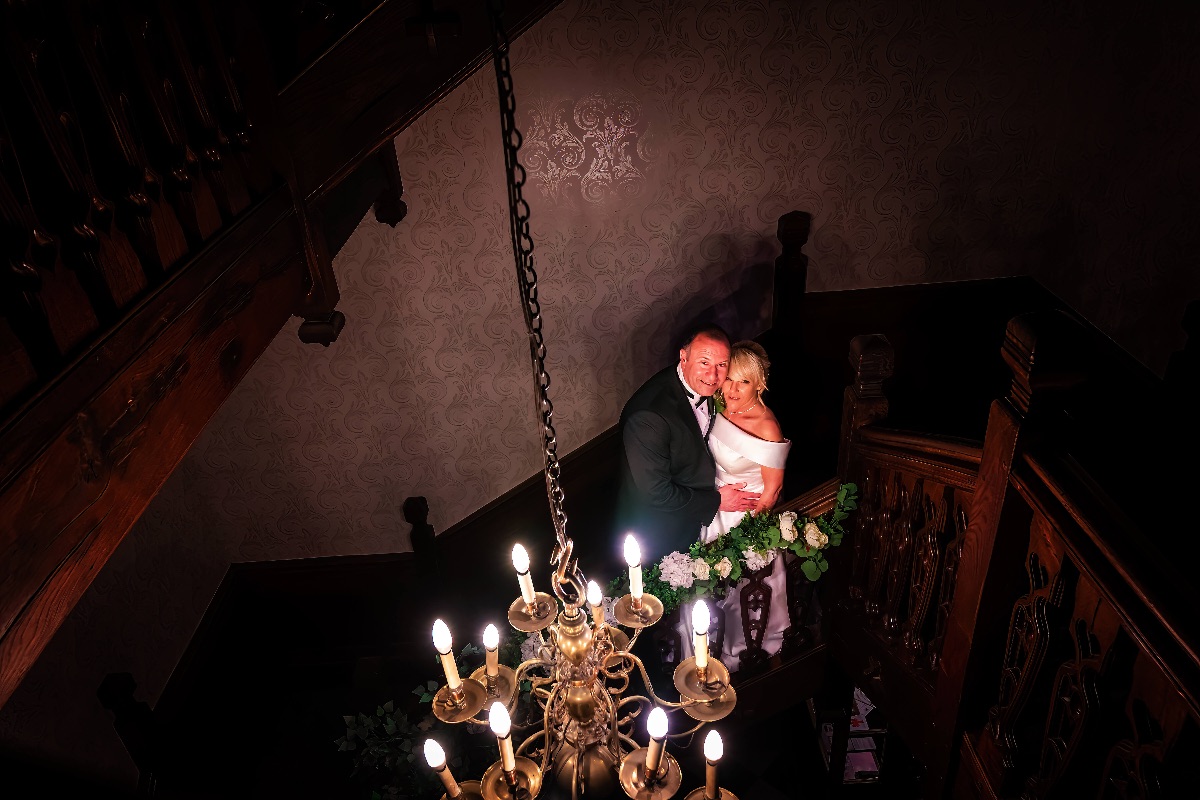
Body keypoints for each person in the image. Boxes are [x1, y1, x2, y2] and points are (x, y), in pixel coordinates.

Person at [615, 324, 761, 571]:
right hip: (659, 530)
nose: (713, 376)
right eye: (704, 363)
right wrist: (715, 501)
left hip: (698, 513)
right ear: (684, 357)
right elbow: (656, 493)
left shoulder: (713, 388)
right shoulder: (648, 416)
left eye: (721, 365)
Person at [706, 341, 792, 671]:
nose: (732, 389)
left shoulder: (766, 426)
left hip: (748, 519)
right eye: (728, 378)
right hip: (716, 509)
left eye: (743, 381)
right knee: (709, 588)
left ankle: (744, 652)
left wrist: (745, 539)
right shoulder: (719, 405)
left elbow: (773, 491)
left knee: (742, 590)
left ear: (759, 383)